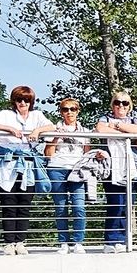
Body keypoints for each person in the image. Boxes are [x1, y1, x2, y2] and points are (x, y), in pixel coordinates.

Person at [0, 85, 57, 255]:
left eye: (26, 100)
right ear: (14, 101)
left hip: (28, 167)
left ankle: (20, 242)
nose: (22, 103)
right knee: (9, 204)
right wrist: (10, 129)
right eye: (19, 99)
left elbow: (52, 127)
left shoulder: (37, 115)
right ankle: (9, 242)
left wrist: (37, 130)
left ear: (31, 101)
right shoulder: (6, 114)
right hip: (7, 165)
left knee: (24, 204)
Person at [94, 91, 137, 253]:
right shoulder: (105, 118)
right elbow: (100, 129)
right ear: (113, 105)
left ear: (129, 106)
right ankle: (111, 241)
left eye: (125, 103)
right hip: (112, 167)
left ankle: (124, 240)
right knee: (115, 204)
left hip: (132, 167)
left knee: (127, 206)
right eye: (117, 102)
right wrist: (127, 134)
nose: (121, 105)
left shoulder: (134, 120)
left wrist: (116, 126)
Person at [44, 98, 92, 254]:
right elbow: (48, 154)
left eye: (73, 109)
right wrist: (56, 137)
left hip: (77, 171)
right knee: (61, 207)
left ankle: (78, 242)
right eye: (65, 109)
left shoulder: (85, 131)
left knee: (79, 207)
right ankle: (63, 242)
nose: (69, 112)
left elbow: (87, 153)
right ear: (61, 112)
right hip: (57, 168)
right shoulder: (54, 128)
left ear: (78, 111)